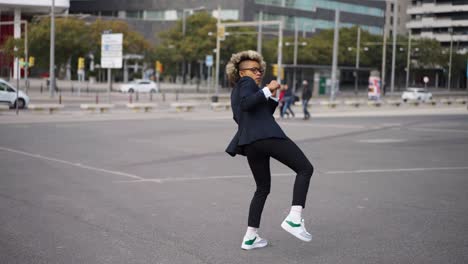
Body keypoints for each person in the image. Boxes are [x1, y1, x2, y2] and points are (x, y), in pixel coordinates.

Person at [225, 50, 315, 250]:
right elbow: (248, 105)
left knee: (262, 188)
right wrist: (267, 89)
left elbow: (261, 113)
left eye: (260, 70)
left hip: (250, 144)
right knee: (305, 169)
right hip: (265, 136)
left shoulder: (237, 92)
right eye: (254, 70)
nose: (258, 73)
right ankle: (294, 218)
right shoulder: (246, 84)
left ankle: (250, 237)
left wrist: (271, 97)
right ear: (241, 73)